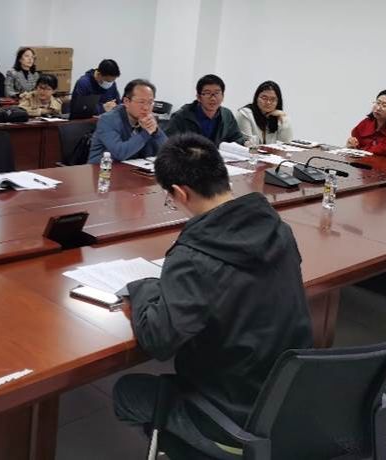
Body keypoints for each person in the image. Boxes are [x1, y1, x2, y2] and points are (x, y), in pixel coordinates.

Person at [112, 133, 313, 458]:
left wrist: (143, 287)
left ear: (180, 192)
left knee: (126, 393)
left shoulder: (195, 254)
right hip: (289, 402)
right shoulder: (278, 229)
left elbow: (158, 341)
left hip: (232, 422)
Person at [88, 79, 167, 164]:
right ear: (126, 102)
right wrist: (146, 133)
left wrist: (156, 131)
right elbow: (120, 153)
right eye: (141, 102)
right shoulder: (108, 120)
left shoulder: (147, 119)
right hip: (103, 169)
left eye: (150, 102)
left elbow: (168, 150)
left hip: (134, 168)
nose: (146, 108)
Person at [166, 74, 247, 145]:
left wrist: (245, 143)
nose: (213, 98)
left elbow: (237, 138)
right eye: (208, 93)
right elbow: (169, 144)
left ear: (223, 96)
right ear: (198, 97)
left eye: (217, 93)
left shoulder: (227, 115)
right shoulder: (181, 116)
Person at [347, 89, 386, 158]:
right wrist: (352, 145)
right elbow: (356, 137)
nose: (378, 108)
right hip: (363, 162)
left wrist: (360, 150)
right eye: (378, 103)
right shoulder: (368, 121)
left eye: (385, 106)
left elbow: (385, 150)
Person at [236, 80, 293, 146]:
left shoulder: (278, 116)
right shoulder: (245, 114)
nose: (268, 102)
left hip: (270, 153)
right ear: (256, 98)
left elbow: (286, 144)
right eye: (264, 98)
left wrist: (284, 117)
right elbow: (248, 145)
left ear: (278, 102)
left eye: (273, 99)